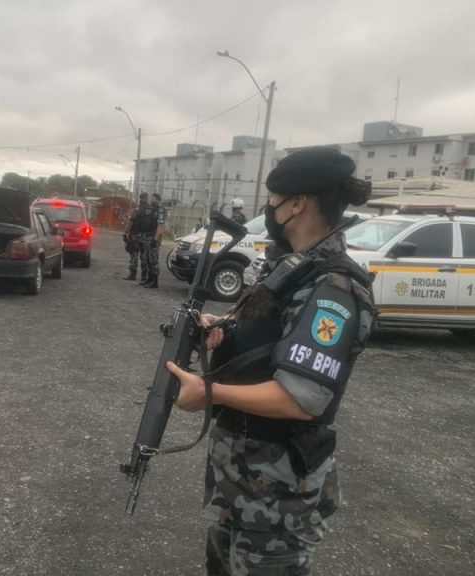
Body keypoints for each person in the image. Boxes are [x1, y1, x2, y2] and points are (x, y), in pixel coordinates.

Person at [166, 147, 375, 575]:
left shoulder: (333, 287)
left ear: (298, 202)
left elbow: (302, 397)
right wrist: (222, 330)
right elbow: (266, 340)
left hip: (277, 496)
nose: (270, 209)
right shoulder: (290, 269)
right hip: (241, 483)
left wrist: (207, 392)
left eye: (274, 201)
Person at [123, 192, 156, 282]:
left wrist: (125, 233)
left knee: (134, 254)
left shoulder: (137, 209)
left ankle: (132, 274)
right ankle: (144, 276)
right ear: (147, 198)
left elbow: (131, 222)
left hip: (135, 235)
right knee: (144, 256)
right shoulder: (151, 209)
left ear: (140, 198)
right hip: (146, 236)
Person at [140, 192, 165, 289]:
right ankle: (149, 279)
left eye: (153, 199)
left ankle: (155, 282)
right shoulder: (152, 209)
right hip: (148, 237)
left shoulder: (160, 210)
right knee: (148, 259)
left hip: (155, 237)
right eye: (152, 199)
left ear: (157, 200)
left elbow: (161, 225)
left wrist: (155, 239)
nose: (151, 200)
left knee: (153, 260)